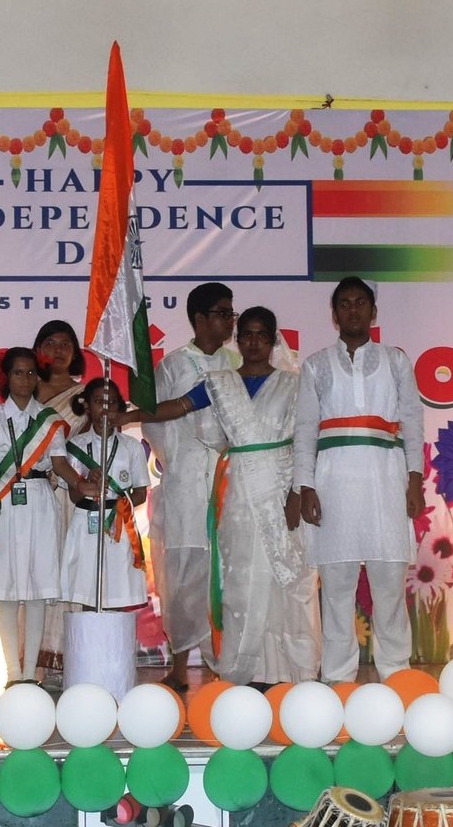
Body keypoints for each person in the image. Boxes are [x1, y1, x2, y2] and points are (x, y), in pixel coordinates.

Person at [130, 307, 319, 687]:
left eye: (261, 335)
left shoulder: (294, 384)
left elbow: (305, 440)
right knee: (240, 577)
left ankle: (289, 672)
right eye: (246, 334)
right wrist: (127, 416)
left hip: (280, 486)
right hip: (236, 493)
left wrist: (298, 491)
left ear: (273, 340)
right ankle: (246, 671)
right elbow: (179, 406)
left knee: (285, 577)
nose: (253, 342)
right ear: (238, 339)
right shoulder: (219, 382)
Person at [294, 276, 424, 683]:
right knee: (336, 590)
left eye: (360, 302)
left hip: (386, 481)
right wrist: (305, 486)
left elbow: (413, 421)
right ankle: (338, 679)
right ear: (334, 315)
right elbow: (305, 429)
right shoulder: (315, 365)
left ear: (374, 311)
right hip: (333, 484)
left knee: (389, 587)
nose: (353, 310)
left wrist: (415, 479)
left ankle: (397, 675)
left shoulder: (396, 361)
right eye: (345, 304)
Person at [140, 282, 239, 690]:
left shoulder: (237, 363)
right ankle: (180, 666)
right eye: (222, 313)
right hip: (183, 482)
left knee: (226, 573)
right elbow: (152, 422)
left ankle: (223, 665)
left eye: (231, 313)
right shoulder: (173, 366)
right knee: (182, 576)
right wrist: (180, 460)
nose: (230, 321)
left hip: (229, 479)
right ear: (199, 319)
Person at [0, 347, 68, 687]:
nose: (25, 379)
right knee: (7, 593)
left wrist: (84, 483)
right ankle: (12, 674)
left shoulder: (49, 420)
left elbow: (60, 465)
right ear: (6, 377)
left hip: (40, 503)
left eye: (31, 373)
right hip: (4, 507)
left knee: (38, 590)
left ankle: (30, 673)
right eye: (18, 373)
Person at [52, 378, 149, 610]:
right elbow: (74, 497)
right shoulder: (75, 445)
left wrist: (119, 508)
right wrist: (85, 483)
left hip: (119, 526)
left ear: (120, 407)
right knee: (88, 593)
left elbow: (141, 493)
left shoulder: (131, 446)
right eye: (98, 402)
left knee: (116, 593)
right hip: (86, 523)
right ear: (87, 405)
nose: (105, 408)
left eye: (112, 402)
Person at [31, 319, 86, 676]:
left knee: (66, 574)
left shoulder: (83, 398)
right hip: (29, 498)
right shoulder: (26, 392)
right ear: (38, 350)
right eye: (50, 343)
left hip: (68, 498)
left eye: (66, 343)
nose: (58, 350)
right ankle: (28, 667)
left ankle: (67, 662)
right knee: (32, 575)